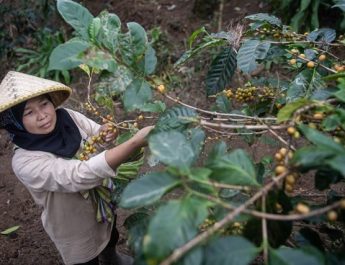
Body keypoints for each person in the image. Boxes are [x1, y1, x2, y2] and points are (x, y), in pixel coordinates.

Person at [0, 71, 153, 265]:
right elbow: (79, 175)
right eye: (29, 113)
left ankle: (110, 257)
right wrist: (134, 143)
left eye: (44, 104)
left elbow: (95, 134)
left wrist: (104, 135)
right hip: (72, 224)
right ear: (15, 122)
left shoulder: (67, 117)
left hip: (102, 200)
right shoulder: (25, 162)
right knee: (85, 257)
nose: (42, 115)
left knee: (109, 235)